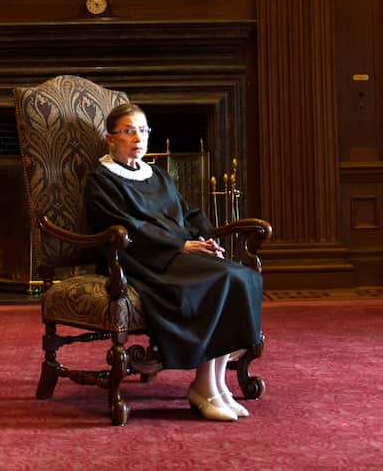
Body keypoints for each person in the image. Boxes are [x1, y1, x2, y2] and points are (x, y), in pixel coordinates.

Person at [83, 103, 264, 422]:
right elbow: (124, 227)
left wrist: (206, 238)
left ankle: (217, 383)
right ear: (110, 138)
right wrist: (179, 244)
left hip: (180, 252)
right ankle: (203, 386)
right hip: (144, 259)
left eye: (142, 130)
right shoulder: (101, 179)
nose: (137, 137)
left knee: (241, 277)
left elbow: (188, 212)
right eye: (128, 130)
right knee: (221, 279)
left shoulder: (158, 175)